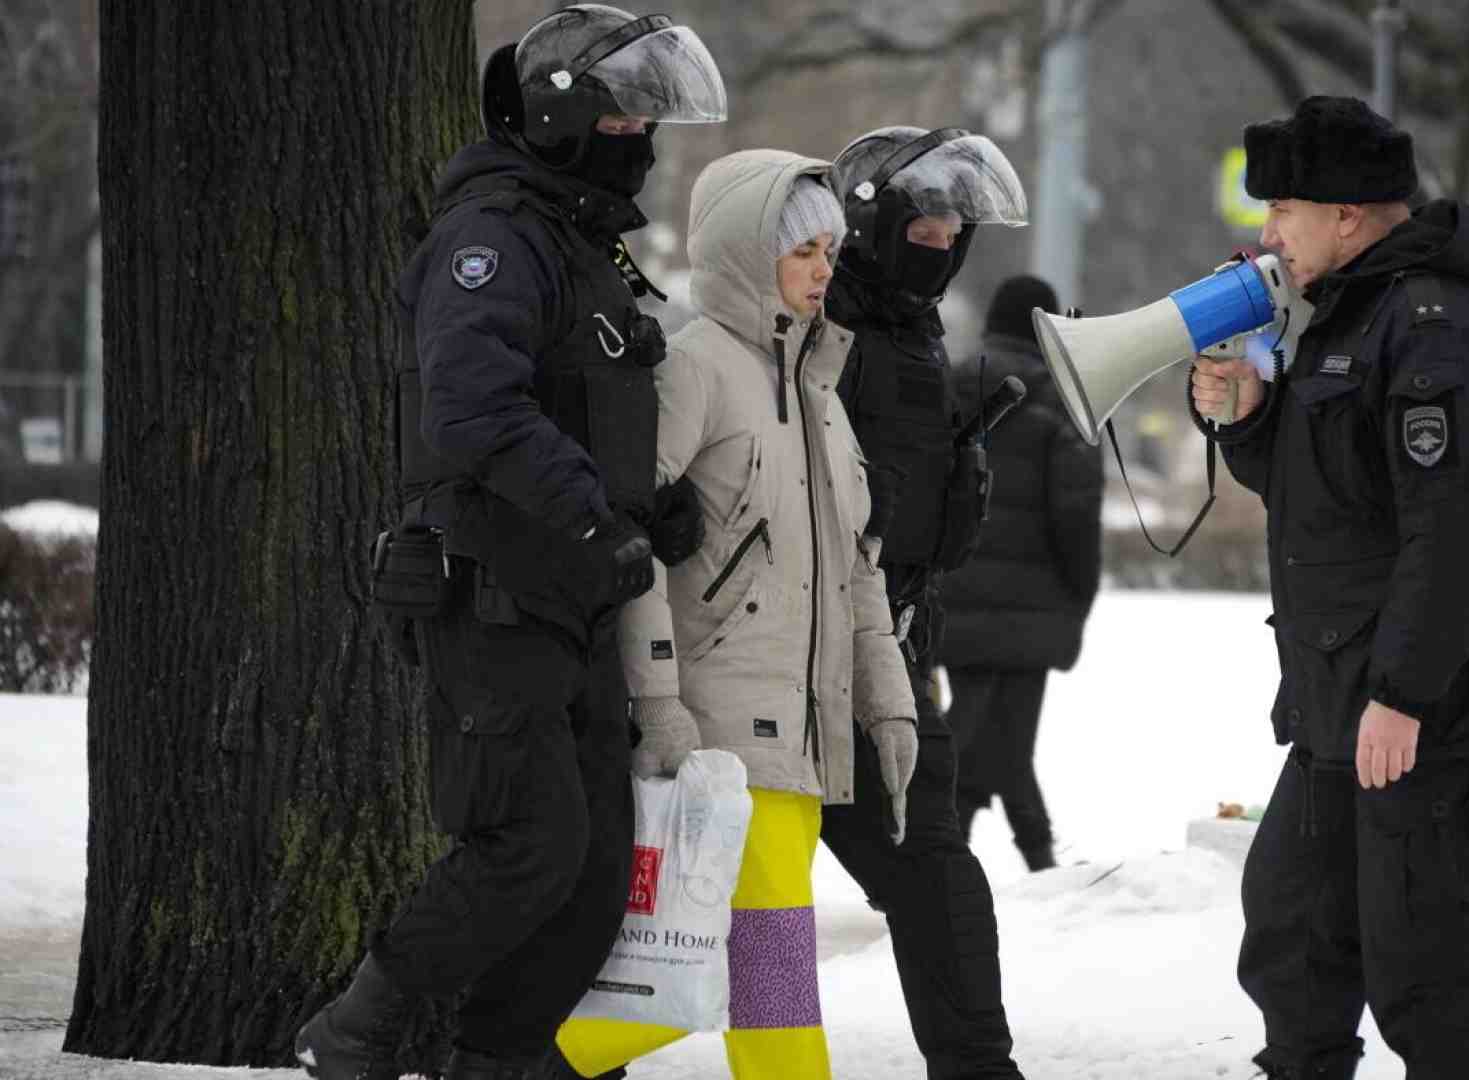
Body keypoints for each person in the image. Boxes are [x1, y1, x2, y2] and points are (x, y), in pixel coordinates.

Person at [292, 8, 725, 1080]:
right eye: (624, 112)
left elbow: (581, 404)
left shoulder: (580, 243)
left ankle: (497, 1064)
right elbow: (473, 410)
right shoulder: (495, 237)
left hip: (572, 595)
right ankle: (354, 1031)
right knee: (529, 849)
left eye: (647, 116)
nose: (641, 135)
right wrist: (589, 514)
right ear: (559, 114)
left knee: (590, 872)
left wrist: (638, 512)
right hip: (494, 592)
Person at [1188, 96, 1469, 1080]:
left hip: (1417, 712)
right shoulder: (1354, 312)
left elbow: (1458, 529)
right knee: (1294, 941)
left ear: (1347, 214)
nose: (1266, 234)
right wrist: (1250, 418)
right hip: (1336, 705)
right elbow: (1325, 498)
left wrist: (1403, 693)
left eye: (1283, 212)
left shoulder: (1435, 328)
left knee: (1422, 977)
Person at [547, 149, 920, 1080]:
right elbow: (627, 539)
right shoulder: (695, 368)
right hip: (721, 726)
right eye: (802, 252)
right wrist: (661, 703)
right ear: (748, 255)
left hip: (799, 731)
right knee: (771, 974)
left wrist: (890, 703)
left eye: (830, 249)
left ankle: (519, 1061)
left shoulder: (821, 391)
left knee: (723, 972)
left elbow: (856, 569)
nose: (823, 269)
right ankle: (512, 1059)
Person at [821, 125, 1030, 1080]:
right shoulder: (826, 328)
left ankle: (979, 1065)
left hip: (888, 644)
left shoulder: (909, 331)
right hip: (785, 662)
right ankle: (549, 1059)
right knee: (736, 894)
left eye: (958, 228)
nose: (943, 242)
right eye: (928, 223)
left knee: (932, 867)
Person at [941, 273, 1103, 872]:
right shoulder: (1063, 398)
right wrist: (1077, 595)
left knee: (994, 738)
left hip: (953, 597)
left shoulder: (950, 382)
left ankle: (1004, 857)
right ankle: (947, 858)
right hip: (1034, 606)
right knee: (997, 743)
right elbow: (1078, 512)